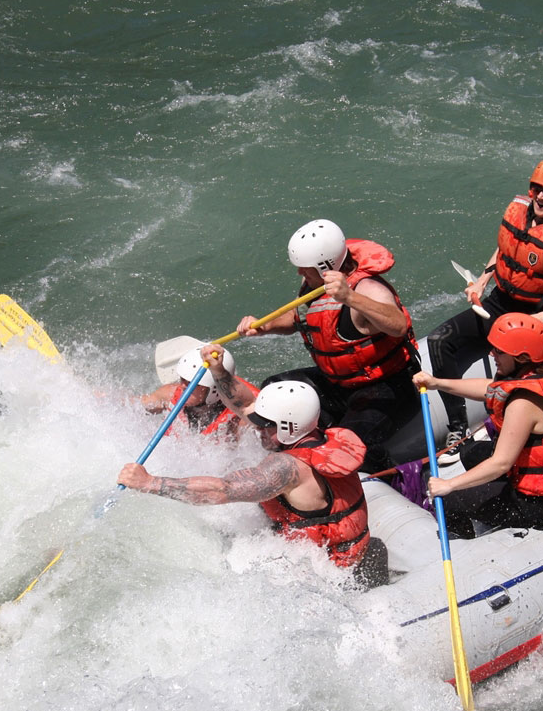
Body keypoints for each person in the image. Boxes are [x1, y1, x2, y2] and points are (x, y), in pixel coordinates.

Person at [119, 354, 389, 587]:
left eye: (265, 425)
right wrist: (218, 370)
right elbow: (245, 406)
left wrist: (150, 483)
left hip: (330, 573)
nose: (257, 428)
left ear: (288, 428)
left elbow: (220, 491)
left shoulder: (285, 468)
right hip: (353, 553)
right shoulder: (322, 436)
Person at [426, 158, 543, 462]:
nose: (541, 197)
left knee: (513, 372)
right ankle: (457, 426)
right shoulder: (521, 211)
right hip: (501, 301)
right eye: (537, 188)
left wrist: (536, 321)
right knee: (439, 340)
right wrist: (481, 281)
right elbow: (508, 247)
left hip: (540, 313)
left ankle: (510, 427)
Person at [236, 219, 419, 472]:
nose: (300, 273)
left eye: (305, 268)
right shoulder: (316, 286)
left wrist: (349, 297)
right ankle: (292, 455)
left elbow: (397, 324)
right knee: (274, 388)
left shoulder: (367, 288)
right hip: (339, 385)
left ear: (325, 267)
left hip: (385, 388)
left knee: (348, 447)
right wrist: (265, 326)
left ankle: (390, 473)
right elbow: (301, 318)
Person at [413, 313, 543, 539]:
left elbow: (500, 464)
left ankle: (473, 545)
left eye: (499, 351)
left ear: (520, 358)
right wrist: (438, 383)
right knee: (471, 453)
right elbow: (490, 388)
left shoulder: (523, 403)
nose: (492, 354)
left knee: (450, 501)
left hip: (542, 503)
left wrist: (448, 485)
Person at [138, 345, 247, 438]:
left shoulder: (237, 420)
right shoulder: (170, 394)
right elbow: (133, 406)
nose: (183, 386)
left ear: (214, 389)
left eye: (191, 383)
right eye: (183, 379)